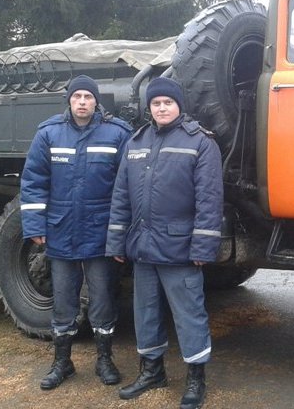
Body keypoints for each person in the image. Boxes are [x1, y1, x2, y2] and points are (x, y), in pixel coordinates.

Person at [106, 76, 223, 409]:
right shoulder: (136, 141)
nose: (161, 108)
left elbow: (210, 199)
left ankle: (195, 379)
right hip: (143, 248)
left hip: (179, 250)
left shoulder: (200, 142)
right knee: (145, 313)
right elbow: (121, 196)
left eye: (167, 102)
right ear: (149, 108)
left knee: (189, 315)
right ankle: (152, 371)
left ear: (179, 105)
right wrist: (116, 242)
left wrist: (202, 247)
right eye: (155, 103)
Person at [20, 74, 132, 390]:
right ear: (69, 101)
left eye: (88, 96)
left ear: (97, 102)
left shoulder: (117, 133)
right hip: (61, 231)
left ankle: (104, 360)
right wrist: (33, 225)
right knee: (63, 301)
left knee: (102, 300)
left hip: (100, 235)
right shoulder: (49, 133)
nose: (82, 102)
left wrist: (122, 231)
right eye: (77, 96)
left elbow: (127, 186)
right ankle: (62, 363)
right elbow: (33, 182)